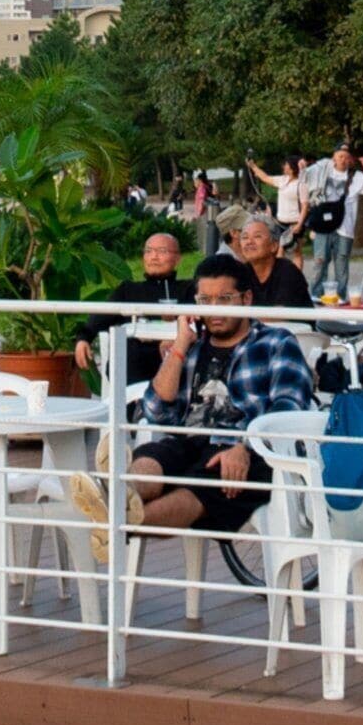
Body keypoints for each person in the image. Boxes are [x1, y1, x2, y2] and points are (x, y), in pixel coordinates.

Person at [73, 258, 310, 549]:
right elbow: (155, 412)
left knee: (202, 486)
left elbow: (289, 408)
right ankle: (114, 500)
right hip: (188, 441)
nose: (214, 309)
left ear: (246, 299)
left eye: (224, 299)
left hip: (244, 452)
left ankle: (112, 520)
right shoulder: (194, 346)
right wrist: (180, 347)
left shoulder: (276, 343)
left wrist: (246, 445)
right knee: (152, 457)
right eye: (204, 300)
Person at [75, 225, 195, 392]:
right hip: (136, 359)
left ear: (177, 258)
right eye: (148, 251)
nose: (154, 257)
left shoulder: (188, 288)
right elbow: (100, 317)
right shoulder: (128, 290)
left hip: (175, 353)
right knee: (128, 353)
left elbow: (196, 323)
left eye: (162, 251)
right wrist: (83, 339)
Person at [302, 144, 363, 301]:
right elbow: (304, 176)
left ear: (350, 160)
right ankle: (316, 294)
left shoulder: (355, 176)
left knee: (341, 263)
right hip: (322, 225)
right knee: (320, 260)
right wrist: (302, 166)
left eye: (346, 157)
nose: (343, 159)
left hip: (345, 227)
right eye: (340, 156)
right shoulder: (322, 169)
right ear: (334, 158)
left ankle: (340, 297)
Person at [223, 217, 316, 313]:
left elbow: (278, 315)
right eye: (245, 237)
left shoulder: (287, 272)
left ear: (274, 246)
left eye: (257, 236)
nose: (249, 242)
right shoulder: (241, 273)